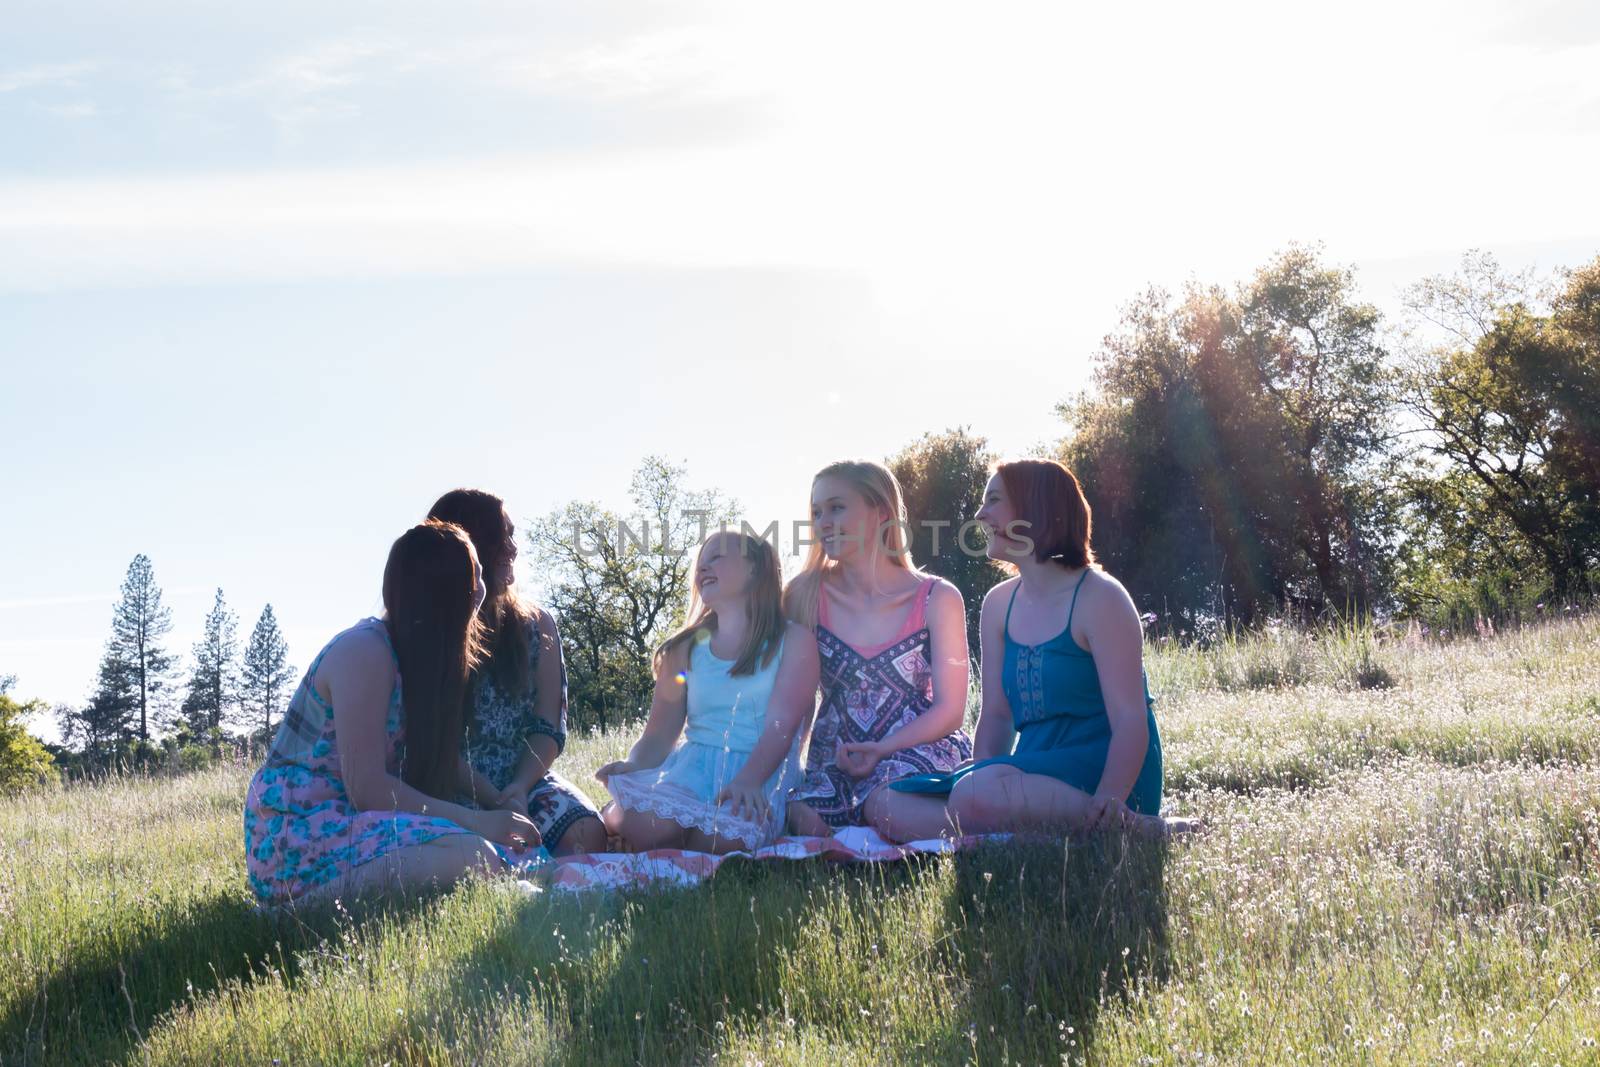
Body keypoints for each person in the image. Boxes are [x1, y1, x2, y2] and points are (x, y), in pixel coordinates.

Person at [244, 521, 540, 904]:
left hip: (347, 823)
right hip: (295, 835)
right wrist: (479, 821)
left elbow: (437, 757)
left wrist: (499, 801)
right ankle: (288, 915)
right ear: (447, 593)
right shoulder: (365, 652)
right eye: (475, 578)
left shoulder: (413, 657)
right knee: (474, 855)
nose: (482, 592)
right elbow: (367, 788)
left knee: (492, 855)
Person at [937, 459, 1186, 837]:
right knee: (890, 804)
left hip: (1108, 774)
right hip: (1033, 767)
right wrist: (983, 778)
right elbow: (997, 717)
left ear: (1036, 510)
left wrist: (1111, 796)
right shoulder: (997, 604)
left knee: (968, 798)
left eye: (994, 500)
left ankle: (1126, 825)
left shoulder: (1101, 597)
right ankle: (1004, 819)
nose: (980, 513)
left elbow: (1130, 721)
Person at [784, 459, 973, 843]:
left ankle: (1011, 827)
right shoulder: (804, 594)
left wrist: (883, 748)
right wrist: (784, 770)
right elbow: (795, 700)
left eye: (837, 507)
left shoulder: (937, 597)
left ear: (880, 513)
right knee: (800, 818)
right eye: (817, 511)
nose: (823, 522)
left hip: (916, 748)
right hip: (838, 759)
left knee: (887, 809)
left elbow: (950, 711)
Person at [598, 531, 819, 852]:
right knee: (646, 828)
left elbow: (782, 724)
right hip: (692, 769)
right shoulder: (685, 649)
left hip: (761, 771)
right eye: (700, 562)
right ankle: (621, 822)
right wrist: (634, 766)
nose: (703, 567)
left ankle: (668, 838)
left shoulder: (794, 641)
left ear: (755, 569)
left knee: (722, 841)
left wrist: (749, 780)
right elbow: (660, 734)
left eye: (716, 557)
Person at [427, 489, 607, 856]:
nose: (512, 549)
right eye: (500, 538)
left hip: (522, 780)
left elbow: (547, 727)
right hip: (448, 784)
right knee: (475, 854)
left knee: (587, 834)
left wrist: (519, 789)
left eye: (513, 535)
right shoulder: (429, 631)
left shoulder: (537, 625)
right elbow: (428, 739)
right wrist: (493, 800)